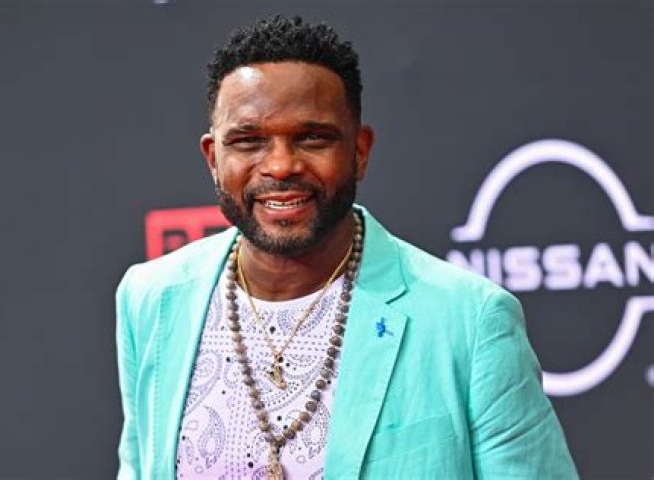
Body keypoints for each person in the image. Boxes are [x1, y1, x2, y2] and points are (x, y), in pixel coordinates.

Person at [115, 15, 578, 479]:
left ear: (359, 151)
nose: (281, 165)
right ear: (214, 158)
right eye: (249, 141)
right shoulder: (152, 298)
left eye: (312, 138)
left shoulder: (469, 320)